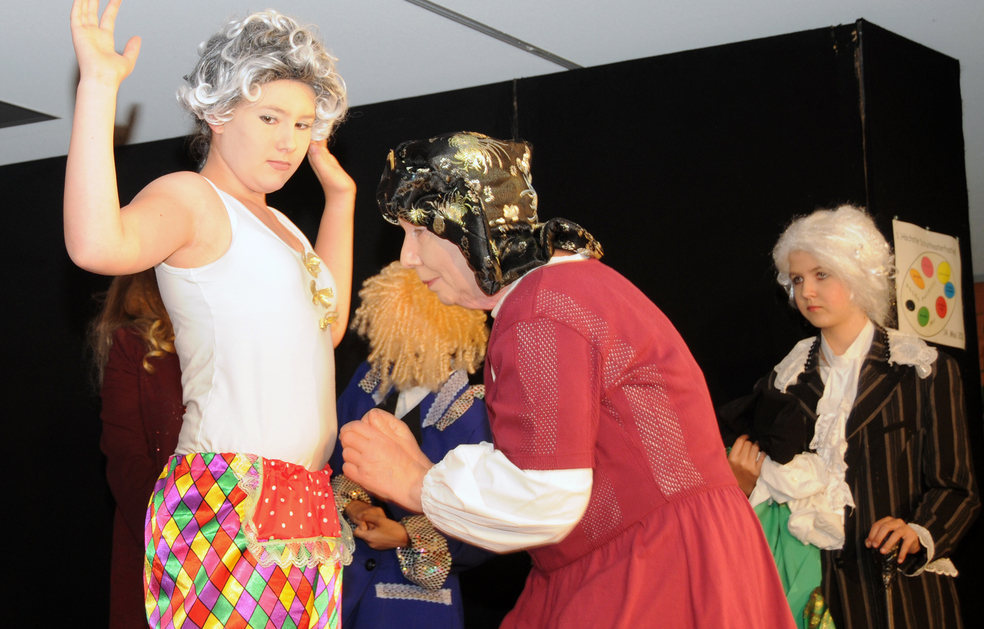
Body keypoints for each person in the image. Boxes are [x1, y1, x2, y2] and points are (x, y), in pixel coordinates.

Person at [337, 132, 794, 628]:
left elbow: (543, 496)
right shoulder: (563, 292)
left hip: (655, 572)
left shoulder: (541, 309)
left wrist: (413, 480)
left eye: (420, 231)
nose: (408, 256)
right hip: (659, 560)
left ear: (469, 223)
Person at [65, 0, 355, 629]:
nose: (289, 141)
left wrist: (341, 201)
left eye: (303, 124)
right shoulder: (193, 199)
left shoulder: (287, 228)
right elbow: (95, 244)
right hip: (228, 493)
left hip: (304, 495)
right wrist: (98, 88)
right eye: (270, 118)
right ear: (219, 113)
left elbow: (328, 326)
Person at [722, 205, 979, 628]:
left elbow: (958, 489)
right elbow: (767, 495)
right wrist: (745, 484)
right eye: (797, 279)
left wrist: (919, 531)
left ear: (858, 273)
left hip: (902, 601)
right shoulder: (782, 382)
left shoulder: (922, 371)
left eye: (821, 274)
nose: (807, 291)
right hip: (813, 600)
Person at [329, 261, 494, 628]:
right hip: (342, 590)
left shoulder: (476, 415)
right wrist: (355, 506)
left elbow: (488, 525)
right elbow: (331, 464)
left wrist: (405, 535)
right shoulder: (366, 383)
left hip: (412, 610)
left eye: (415, 339)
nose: (402, 350)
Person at [91, 270, 184, 629]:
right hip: (162, 555)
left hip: (243, 551)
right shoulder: (134, 346)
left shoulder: (237, 340)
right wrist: (184, 535)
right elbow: (125, 462)